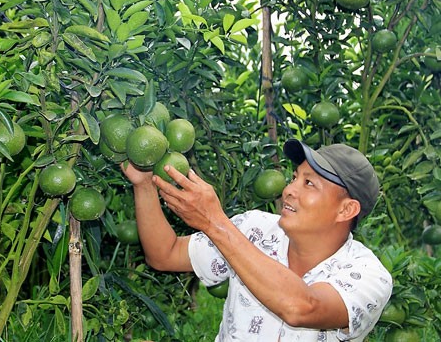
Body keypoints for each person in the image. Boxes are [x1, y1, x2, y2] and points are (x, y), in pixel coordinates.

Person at [122, 138, 392, 341]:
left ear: (346, 210)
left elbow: (302, 307)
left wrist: (214, 221)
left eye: (309, 184)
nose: (288, 190)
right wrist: (144, 184)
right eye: (295, 177)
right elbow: (164, 253)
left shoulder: (367, 275)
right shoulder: (253, 228)